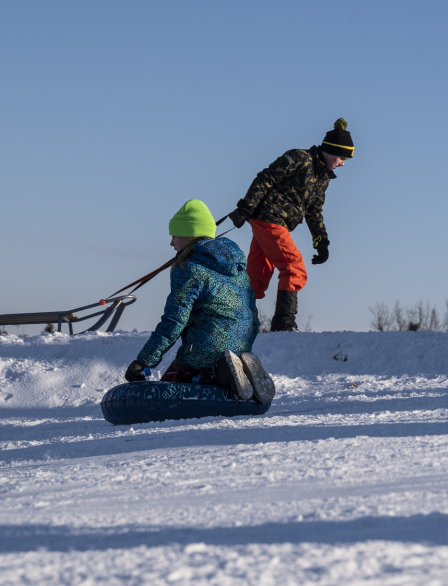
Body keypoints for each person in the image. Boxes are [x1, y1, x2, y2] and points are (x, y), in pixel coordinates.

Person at [125, 199, 275, 403]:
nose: (171, 243)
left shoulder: (189, 268)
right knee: (210, 355)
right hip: (242, 344)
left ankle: (218, 375)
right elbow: (251, 312)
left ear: (189, 235)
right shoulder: (237, 266)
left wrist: (144, 362)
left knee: (173, 386)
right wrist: (242, 345)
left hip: (206, 348)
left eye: (174, 235)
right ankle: (241, 372)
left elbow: (174, 321)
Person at [228, 118, 354, 331]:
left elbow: (314, 212)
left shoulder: (322, 178)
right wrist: (246, 207)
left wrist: (321, 242)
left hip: (275, 223)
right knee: (293, 266)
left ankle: (231, 321)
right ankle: (284, 324)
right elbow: (266, 177)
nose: (343, 163)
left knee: (256, 276)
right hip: (269, 218)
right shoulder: (300, 158)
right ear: (330, 150)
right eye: (342, 157)